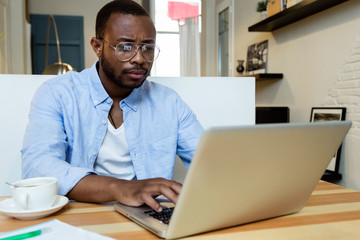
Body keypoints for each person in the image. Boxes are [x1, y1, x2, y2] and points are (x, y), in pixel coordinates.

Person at [21, 0, 203, 212]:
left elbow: (210, 160)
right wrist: (121, 188)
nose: (139, 59)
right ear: (97, 47)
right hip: (78, 219)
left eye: (148, 48)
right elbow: (38, 169)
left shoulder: (169, 102)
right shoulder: (58, 94)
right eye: (125, 47)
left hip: (148, 216)